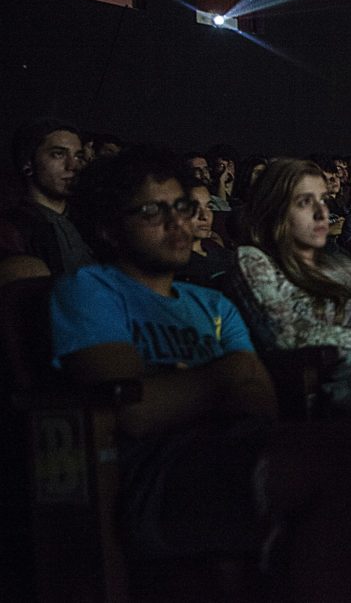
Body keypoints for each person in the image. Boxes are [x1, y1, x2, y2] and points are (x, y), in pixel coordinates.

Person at [50, 145, 277, 559]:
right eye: (153, 212)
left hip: (235, 451)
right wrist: (225, 374)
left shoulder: (213, 305)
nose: (178, 223)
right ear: (108, 229)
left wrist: (193, 385)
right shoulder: (91, 290)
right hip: (154, 481)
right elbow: (131, 409)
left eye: (183, 207)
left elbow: (258, 402)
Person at [227, 159, 351, 415]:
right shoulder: (253, 258)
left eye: (323, 200)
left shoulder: (338, 265)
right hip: (348, 394)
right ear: (275, 209)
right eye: (305, 202)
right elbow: (284, 334)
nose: (322, 213)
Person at [0, 117, 94, 284]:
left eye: (78, 156)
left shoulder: (88, 220)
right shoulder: (13, 227)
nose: (73, 165)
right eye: (58, 154)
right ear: (28, 163)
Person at [175, 174, 232, 289]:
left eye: (209, 207)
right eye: (194, 208)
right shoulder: (174, 265)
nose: (204, 216)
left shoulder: (223, 254)